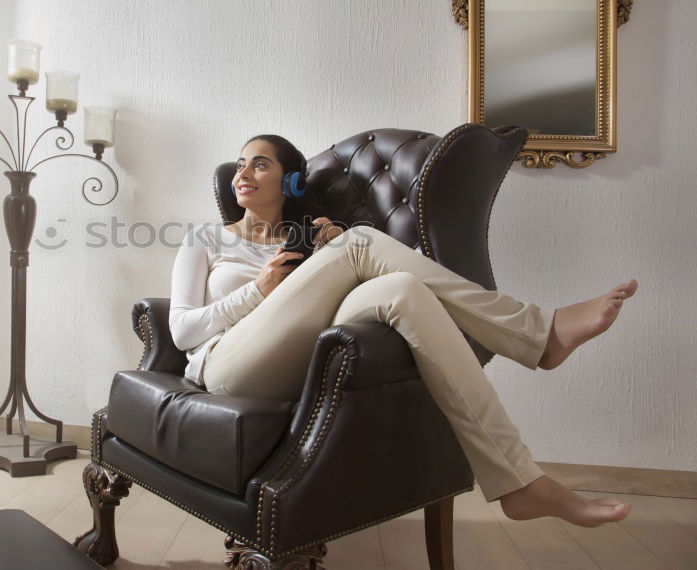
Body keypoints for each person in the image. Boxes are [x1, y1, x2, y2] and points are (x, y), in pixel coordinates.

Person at [168, 133, 638, 528]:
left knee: (403, 289)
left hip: (294, 366)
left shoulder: (306, 246)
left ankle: (519, 480)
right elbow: (183, 331)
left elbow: (322, 321)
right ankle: (538, 332)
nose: (243, 174)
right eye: (241, 164)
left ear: (290, 182)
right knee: (362, 242)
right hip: (227, 369)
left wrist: (326, 255)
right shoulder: (205, 239)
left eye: (260, 164)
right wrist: (259, 290)